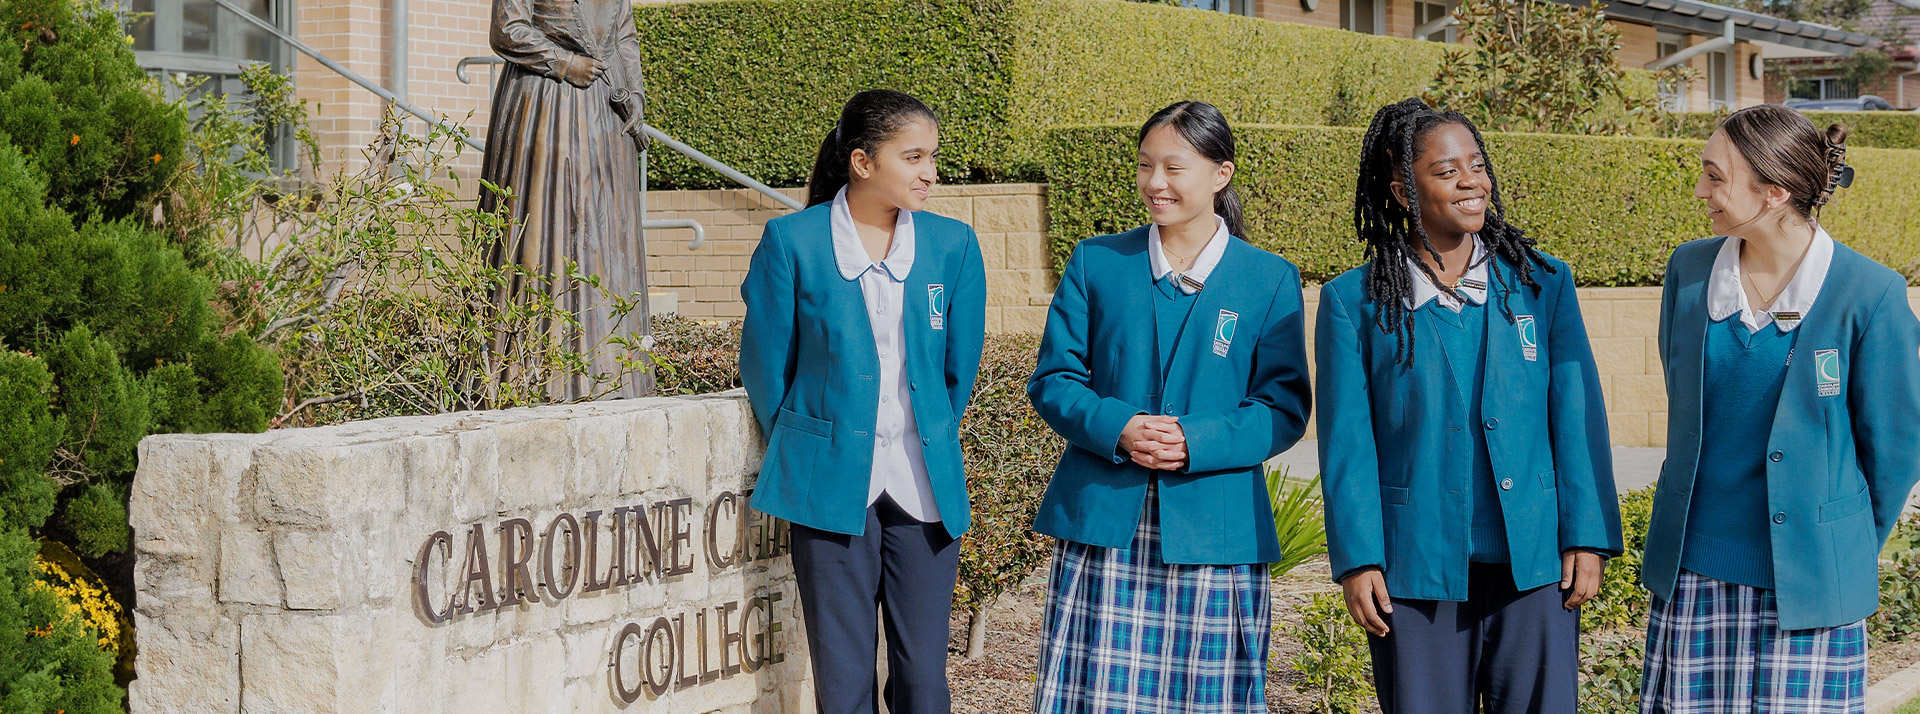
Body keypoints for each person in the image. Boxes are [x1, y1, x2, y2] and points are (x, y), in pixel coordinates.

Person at [1317, 97, 1622, 714]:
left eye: (1477, 166)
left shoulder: (1542, 283)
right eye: (1447, 170)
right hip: (1414, 568)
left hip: (1534, 565)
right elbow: (1348, 443)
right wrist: (1358, 560)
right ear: (1404, 191)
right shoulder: (1353, 302)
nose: (1471, 181)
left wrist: (1586, 534)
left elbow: (1577, 415)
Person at [1028, 100, 1313, 714]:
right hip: (1105, 520)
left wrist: (1196, 441)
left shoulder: (1267, 278)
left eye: (1174, 167)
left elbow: (1283, 406)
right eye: (1145, 166)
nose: (1155, 183)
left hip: (1217, 527)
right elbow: (1054, 379)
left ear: (1221, 174)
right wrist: (1119, 426)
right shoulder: (1097, 262)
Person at [1638, 104, 1920, 713]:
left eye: (1715, 176)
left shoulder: (1869, 294)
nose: (1699, 191)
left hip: (1810, 585)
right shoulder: (1688, 273)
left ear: (1773, 192)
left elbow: (1896, 447)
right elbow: (1686, 408)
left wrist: (1837, 545)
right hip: (1692, 575)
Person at [737, 89, 987, 714]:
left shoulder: (953, 246)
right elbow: (767, 368)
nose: (930, 173)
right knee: (843, 678)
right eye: (914, 157)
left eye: (933, 157)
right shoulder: (791, 242)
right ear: (862, 162)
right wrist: (817, 441)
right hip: (827, 484)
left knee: (924, 678)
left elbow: (958, 371)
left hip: (925, 486)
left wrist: (922, 434)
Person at [481, 0, 653, 398]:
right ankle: (530, 377)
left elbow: (624, 37)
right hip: (545, 104)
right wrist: (563, 62)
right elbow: (507, 28)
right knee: (543, 234)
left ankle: (614, 375)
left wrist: (637, 97)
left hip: (605, 119)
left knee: (605, 242)